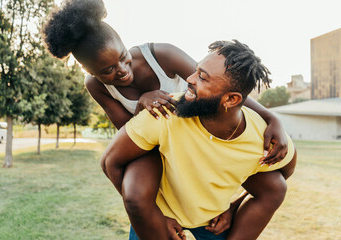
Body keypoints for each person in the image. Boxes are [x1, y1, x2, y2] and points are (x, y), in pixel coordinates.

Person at [43, 0, 290, 239]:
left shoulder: (160, 54)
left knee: (269, 186)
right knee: (136, 194)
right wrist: (142, 103)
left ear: (124, 42)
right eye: (107, 70)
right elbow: (126, 130)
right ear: (88, 72)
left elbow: (219, 87)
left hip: (193, 127)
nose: (122, 70)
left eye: (122, 56)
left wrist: (270, 116)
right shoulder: (95, 86)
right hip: (150, 143)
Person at [101, 39, 297, 240]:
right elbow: (110, 161)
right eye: (196, 70)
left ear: (231, 100)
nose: (190, 78)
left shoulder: (261, 136)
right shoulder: (165, 112)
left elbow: (284, 173)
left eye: (202, 78)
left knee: (276, 186)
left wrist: (234, 206)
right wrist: (156, 216)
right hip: (159, 215)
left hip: (211, 221)